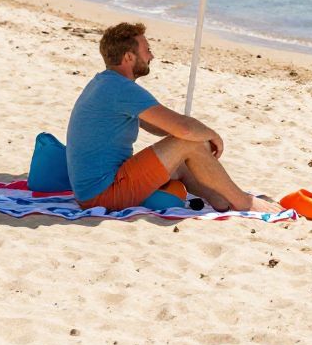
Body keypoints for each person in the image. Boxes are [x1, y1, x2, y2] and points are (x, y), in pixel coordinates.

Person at [66, 21, 272, 213]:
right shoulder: (121, 88)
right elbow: (184, 130)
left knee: (182, 155)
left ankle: (220, 199)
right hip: (103, 194)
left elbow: (155, 124)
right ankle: (245, 202)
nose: (151, 56)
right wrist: (212, 135)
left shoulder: (105, 83)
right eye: (147, 50)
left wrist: (194, 135)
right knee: (186, 142)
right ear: (129, 57)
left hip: (94, 190)